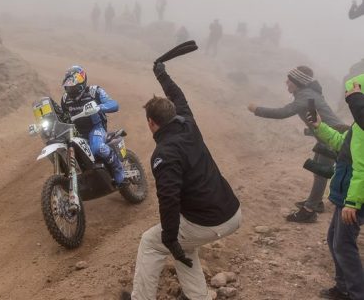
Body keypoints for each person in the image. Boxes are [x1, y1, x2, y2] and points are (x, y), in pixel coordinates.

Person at [123, 61, 241, 300]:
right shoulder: (188, 123)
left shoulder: (164, 153)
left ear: (151, 123)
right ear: (174, 114)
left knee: (151, 242)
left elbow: (168, 198)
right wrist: (162, 75)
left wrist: (169, 237)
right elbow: (178, 95)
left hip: (209, 220)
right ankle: (197, 296)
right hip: (232, 212)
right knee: (184, 244)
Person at [247, 66, 345, 223]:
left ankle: (309, 211)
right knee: (317, 169)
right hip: (327, 137)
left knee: (321, 173)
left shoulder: (306, 96)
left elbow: (282, 113)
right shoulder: (309, 95)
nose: (286, 82)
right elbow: (315, 118)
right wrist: (310, 131)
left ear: (298, 83)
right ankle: (316, 202)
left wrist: (256, 109)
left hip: (333, 138)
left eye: (290, 80)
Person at [309, 76, 364, 300]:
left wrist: (353, 202)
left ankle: (356, 293)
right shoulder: (359, 127)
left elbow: (362, 168)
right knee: (335, 240)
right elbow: (343, 144)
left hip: (354, 196)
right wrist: (320, 127)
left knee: (343, 244)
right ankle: (343, 288)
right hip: (346, 193)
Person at [60, 66, 125, 186]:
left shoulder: (94, 91)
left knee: (97, 148)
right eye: (68, 84)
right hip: (76, 132)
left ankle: (118, 168)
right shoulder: (65, 99)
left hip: (96, 127)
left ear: (82, 81)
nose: (71, 87)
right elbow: (62, 116)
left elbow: (114, 104)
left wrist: (99, 107)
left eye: (73, 83)